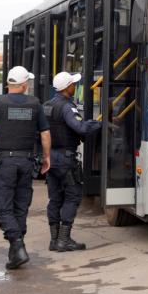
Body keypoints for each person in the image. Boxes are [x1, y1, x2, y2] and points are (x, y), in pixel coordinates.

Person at [0, 66, 51, 270]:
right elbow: (45, 134)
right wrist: (47, 157)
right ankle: (16, 253)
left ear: (9, 84)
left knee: (4, 207)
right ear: (24, 85)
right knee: (21, 205)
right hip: (27, 163)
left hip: (4, 163)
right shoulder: (35, 104)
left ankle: (17, 244)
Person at [45, 71, 102, 252]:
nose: (75, 86)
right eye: (73, 84)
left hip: (50, 159)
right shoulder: (67, 107)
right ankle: (64, 239)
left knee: (55, 198)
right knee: (73, 196)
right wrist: (96, 124)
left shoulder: (47, 106)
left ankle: (54, 240)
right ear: (67, 88)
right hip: (65, 159)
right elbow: (79, 127)